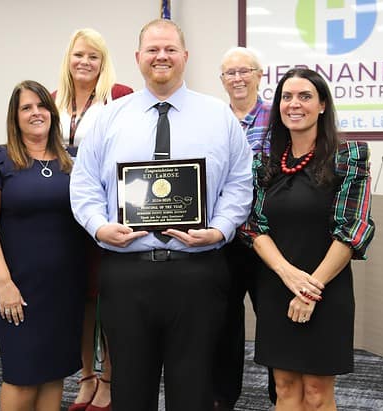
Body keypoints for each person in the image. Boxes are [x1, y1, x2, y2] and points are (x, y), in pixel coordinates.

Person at [70, 19, 253, 411]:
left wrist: (220, 230)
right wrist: (100, 227)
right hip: (127, 273)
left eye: (170, 49)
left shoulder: (219, 116)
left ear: (185, 57)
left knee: (195, 392)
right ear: (138, 58)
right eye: (152, 50)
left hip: (198, 273)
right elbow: (83, 186)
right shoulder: (108, 118)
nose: (161, 57)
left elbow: (240, 185)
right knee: (131, 392)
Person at [239, 68, 375, 410]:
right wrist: (287, 275)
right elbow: (254, 226)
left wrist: (310, 289)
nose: (294, 104)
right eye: (286, 97)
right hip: (276, 286)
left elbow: (352, 229)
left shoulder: (348, 157)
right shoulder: (264, 163)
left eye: (304, 97)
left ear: (322, 106)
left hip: (326, 288)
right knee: (284, 388)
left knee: (316, 393)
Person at [0, 80, 87, 410]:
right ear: (15, 116)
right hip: (18, 288)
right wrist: (3, 283)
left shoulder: (72, 162)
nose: (36, 113)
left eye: (41, 106)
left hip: (64, 288)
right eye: (27, 107)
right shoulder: (0, 160)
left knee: (54, 375)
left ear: (52, 113)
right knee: (22, 379)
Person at [55, 27, 133, 411]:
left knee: (109, 298)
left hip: (107, 213)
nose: (85, 62)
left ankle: (109, 380)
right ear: (67, 59)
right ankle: (86, 378)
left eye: (94, 56)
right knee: (81, 300)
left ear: (104, 62)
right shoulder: (52, 101)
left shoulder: (120, 98)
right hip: (64, 217)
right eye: (78, 55)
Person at [212, 46, 272, 410]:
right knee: (224, 324)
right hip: (226, 238)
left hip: (268, 237)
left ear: (259, 75)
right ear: (222, 80)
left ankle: (281, 394)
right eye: (229, 73)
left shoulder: (278, 116)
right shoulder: (215, 121)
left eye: (244, 71)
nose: (237, 78)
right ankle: (224, 397)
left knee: (273, 321)